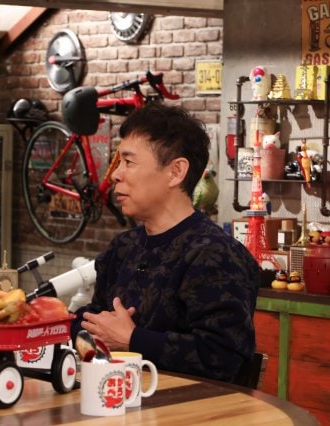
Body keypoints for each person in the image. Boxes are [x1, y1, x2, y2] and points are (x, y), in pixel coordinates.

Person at [71, 103, 260, 383]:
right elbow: (91, 325)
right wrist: (78, 332)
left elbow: (222, 357)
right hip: (117, 397)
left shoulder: (215, 254)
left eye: (129, 162)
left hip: (192, 406)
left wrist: (132, 339)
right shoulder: (124, 248)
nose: (115, 175)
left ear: (175, 172)